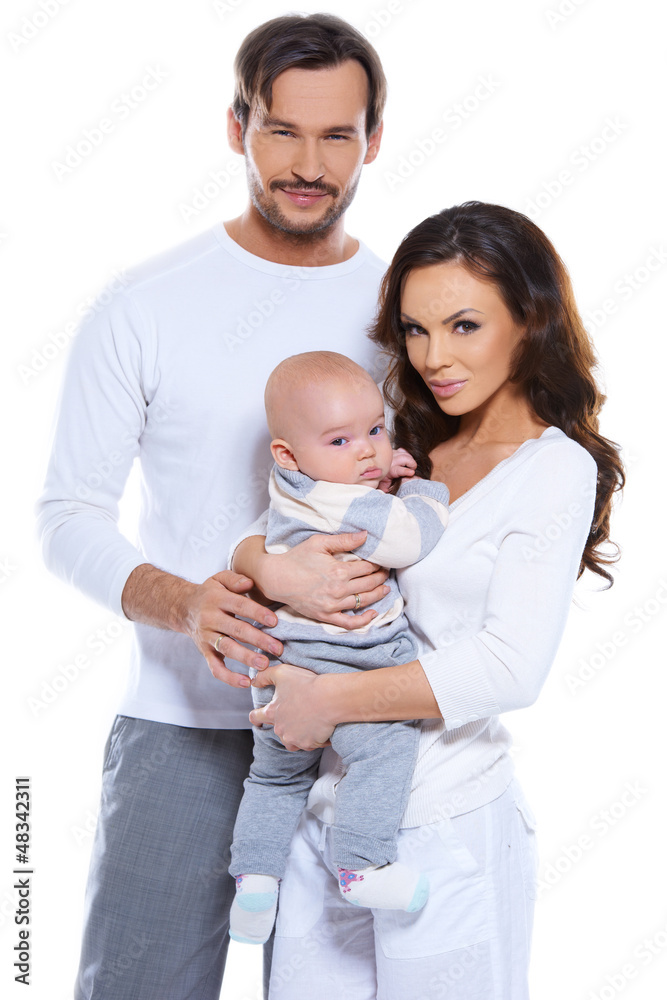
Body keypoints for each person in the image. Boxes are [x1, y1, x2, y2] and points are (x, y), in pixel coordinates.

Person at [35, 14, 395, 999]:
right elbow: (66, 514)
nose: (308, 164)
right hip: (180, 728)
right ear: (237, 127)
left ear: (372, 141)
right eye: (282, 130)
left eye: (337, 135)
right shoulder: (145, 303)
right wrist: (189, 603)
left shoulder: (403, 314)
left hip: (357, 733)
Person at [232, 201, 625, 999]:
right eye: (414, 330)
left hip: (444, 827)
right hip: (322, 816)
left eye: (463, 326)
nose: (433, 357)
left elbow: (509, 668)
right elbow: (289, 517)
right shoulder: (401, 441)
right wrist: (260, 567)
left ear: (529, 320)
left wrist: (323, 701)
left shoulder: (552, 470)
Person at [229, 351, 450, 945]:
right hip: (351, 661)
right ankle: (360, 865)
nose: (366, 452)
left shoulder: (291, 486)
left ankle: (255, 883)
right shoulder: (357, 505)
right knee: (384, 750)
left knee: (273, 778)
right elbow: (412, 536)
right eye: (340, 440)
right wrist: (421, 489)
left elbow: (269, 529)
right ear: (287, 452)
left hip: (281, 666)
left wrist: (376, 475)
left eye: (376, 429)